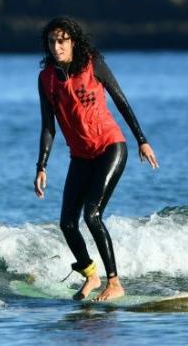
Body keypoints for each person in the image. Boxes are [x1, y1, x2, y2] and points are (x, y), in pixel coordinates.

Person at [33, 16, 159, 301]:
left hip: (110, 147)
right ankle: (91, 274)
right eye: (52, 41)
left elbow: (120, 99)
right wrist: (41, 166)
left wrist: (142, 140)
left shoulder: (92, 64)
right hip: (80, 156)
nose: (57, 46)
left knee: (92, 214)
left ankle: (114, 282)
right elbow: (48, 126)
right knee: (67, 223)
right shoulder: (47, 79)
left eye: (62, 41)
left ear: (73, 42)